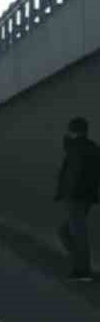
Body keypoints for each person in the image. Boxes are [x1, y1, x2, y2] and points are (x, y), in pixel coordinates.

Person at [55, 116, 100, 281]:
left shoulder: (76, 149)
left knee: (77, 234)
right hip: (86, 198)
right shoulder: (92, 147)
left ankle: (83, 271)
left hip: (75, 198)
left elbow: (73, 173)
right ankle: (80, 263)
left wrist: (67, 194)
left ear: (72, 130)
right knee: (65, 231)